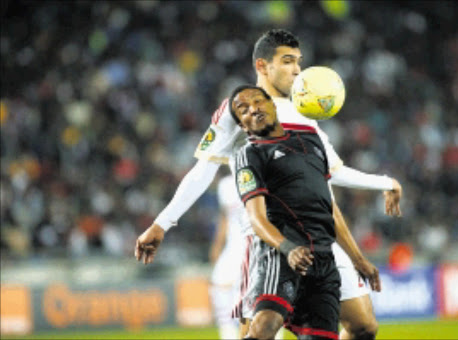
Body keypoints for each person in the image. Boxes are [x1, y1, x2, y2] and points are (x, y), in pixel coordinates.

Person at [135, 29, 402, 340]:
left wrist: (385, 183)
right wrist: (162, 223)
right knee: (261, 332)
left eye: (298, 62)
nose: (297, 70)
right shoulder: (240, 109)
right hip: (272, 240)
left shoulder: (305, 113)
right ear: (262, 66)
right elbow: (202, 170)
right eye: (287, 61)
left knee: (364, 327)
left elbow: (335, 172)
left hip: (321, 235)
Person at [230, 84, 342, 339]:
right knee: (265, 325)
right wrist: (288, 248)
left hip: (323, 260)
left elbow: (329, 206)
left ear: (272, 104)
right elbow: (256, 218)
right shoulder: (250, 155)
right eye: (243, 110)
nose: (253, 110)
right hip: (281, 253)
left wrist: (357, 258)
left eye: (257, 101)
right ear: (243, 127)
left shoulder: (311, 140)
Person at [209, 174, 246, 339]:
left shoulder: (262, 176)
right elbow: (224, 217)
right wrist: (217, 245)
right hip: (233, 246)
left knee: (260, 299)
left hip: (256, 245)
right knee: (219, 284)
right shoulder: (225, 185)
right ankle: (228, 334)